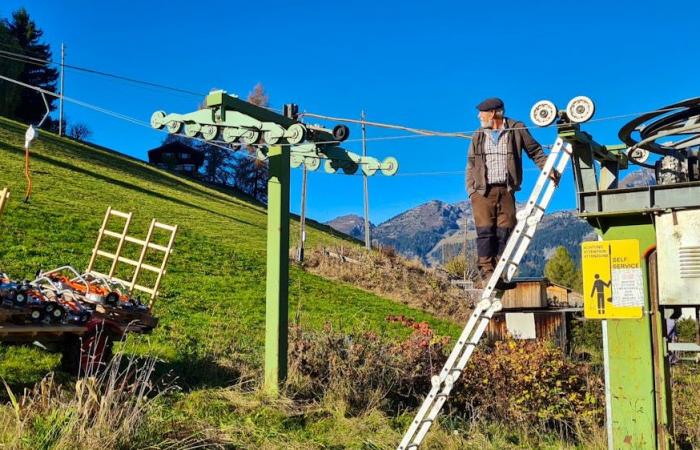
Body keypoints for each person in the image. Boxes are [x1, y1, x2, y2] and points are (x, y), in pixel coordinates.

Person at [466, 97, 560, 290]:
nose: (478, 116)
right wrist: (471, 190)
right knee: (485, 232)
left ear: (493, 113)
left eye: (482, 112)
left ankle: (498, 273)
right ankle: (486, 273)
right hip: (482, 192)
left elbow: (534, 151)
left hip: (507, 190)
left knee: (506, 230)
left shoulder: (516, 128)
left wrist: (547, 168)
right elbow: (470, 164)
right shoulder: (478, 135)